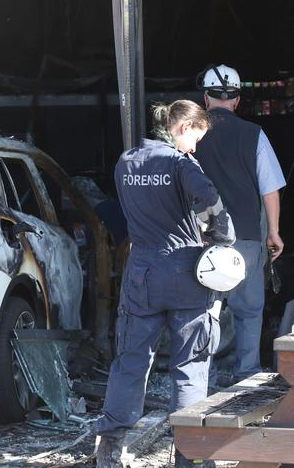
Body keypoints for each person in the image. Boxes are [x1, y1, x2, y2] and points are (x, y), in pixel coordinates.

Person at [95, 100, 236, 468]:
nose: (195, 147)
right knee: (190, 363)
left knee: (131, 360)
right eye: (197, 137)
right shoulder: (180, 163)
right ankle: (189, 455)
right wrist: (222, 237)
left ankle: (109, 446)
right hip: (186, 273)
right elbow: (209, 199)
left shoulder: (127, 162)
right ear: (184, 127)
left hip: (141, 271)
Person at [195, 64, 286, 384]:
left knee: (204, 310)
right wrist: (273, 231)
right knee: (248, 308)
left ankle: (202, 374)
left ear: (206, 98)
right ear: (236, 100)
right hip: (245, 235)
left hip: (200, 239)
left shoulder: (189, 135)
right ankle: (246, 372)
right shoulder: (254, 135)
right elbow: (270, 187)